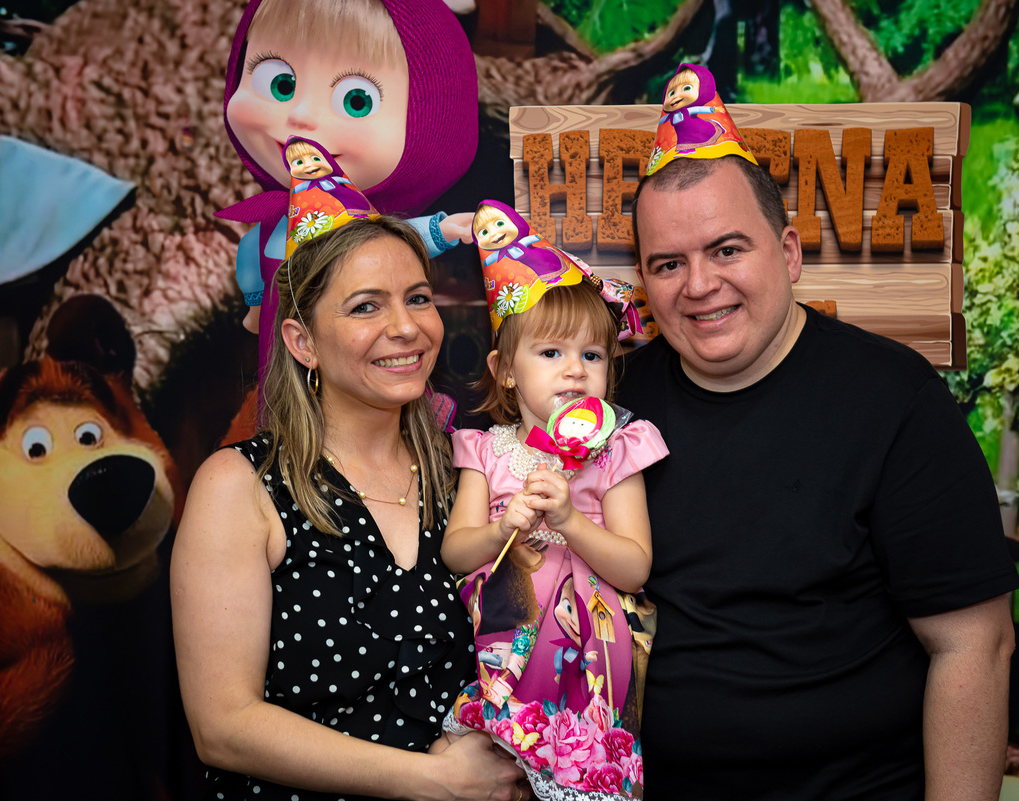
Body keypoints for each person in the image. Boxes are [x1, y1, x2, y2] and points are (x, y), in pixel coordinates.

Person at [616, 63, 1019, 801]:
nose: (699, 285)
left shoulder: (894, 399)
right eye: (668, 264)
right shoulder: (614, 406)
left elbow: (974, 645)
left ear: (790, 252)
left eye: (727, 249)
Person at [171, 212, 525, 801]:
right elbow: (223, 727)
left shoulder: (470, 474)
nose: (406, 327)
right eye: (366, 307)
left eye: (418, 298)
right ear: (302, 342)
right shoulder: (242, 485)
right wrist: (435, 780)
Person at [439, 203, 667, 799]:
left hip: (593, 667)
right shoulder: (486, 450)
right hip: (507, 650)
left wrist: (569, 520)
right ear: (505, 370)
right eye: (551, 354)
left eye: (592, 355)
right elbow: (456, 553)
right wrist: (500, 531)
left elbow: (635, 567)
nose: (575, 371)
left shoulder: (616, 449)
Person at [217, 0, 478, 380]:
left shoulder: (366, 225)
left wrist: (442, 229)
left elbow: (400, 238)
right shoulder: (273, 225)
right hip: (280, 359)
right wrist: (257, 304)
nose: (301, 116)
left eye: (356, 101)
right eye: (280, 84)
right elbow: (251, 255)